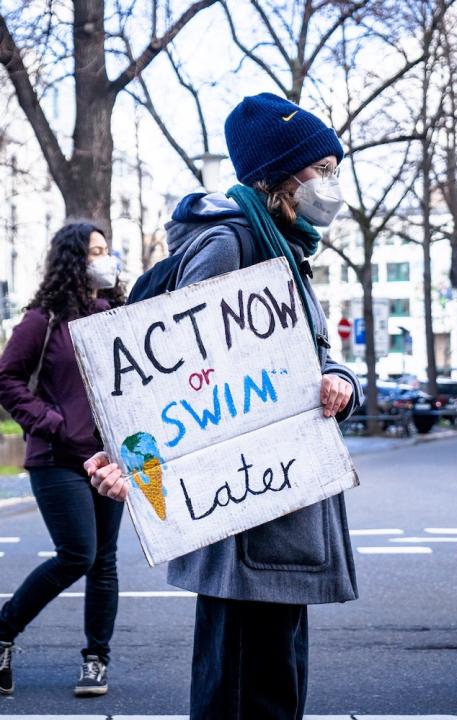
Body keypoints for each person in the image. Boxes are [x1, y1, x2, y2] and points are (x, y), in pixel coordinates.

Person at [85, 93, 364, 719]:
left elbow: (316, 352)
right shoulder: (232, 244)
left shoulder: (286, 248)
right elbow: (178, 371)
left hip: (279, 504)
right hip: (244, 515)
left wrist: (340, 379)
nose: (330, 182)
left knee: (271, 679)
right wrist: (133, 454)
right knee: (244, 688)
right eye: (319, 169)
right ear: (278, 176)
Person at [0, 222, 125, 697]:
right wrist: (48, 421)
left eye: (107, 250)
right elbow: (6, 377)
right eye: (95, 251)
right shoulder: (43, 319)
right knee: (78, 554)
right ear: (73, 260)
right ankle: (3, 631)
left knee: (105, 561)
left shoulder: (117, 314)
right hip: (57, 458)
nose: (104, 259)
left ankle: (96, 660)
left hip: (108, 458)